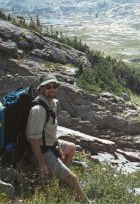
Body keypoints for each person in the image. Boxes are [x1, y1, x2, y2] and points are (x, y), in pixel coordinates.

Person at [26, 74, 91, 203]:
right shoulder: (38, 110)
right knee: (73, 178)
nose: (52, 89)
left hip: (51, 144)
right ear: (41, 89)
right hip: (42, 150)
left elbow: (51, 130)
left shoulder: (52, 103)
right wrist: (41, 163)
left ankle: (61, 181)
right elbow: (33, 140)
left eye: (54, 86)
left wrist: (58, 147)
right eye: (48, 86)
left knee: (71, 148)